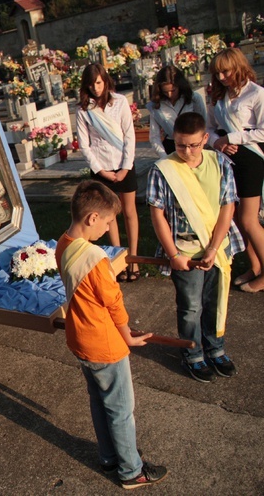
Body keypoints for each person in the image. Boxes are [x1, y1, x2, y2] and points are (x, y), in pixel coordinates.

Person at [56, 180, 167, 489]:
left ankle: (109, 456)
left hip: (79, 340)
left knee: (98, 400)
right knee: (120, 409)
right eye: (106, 222)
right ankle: (132, 470)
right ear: (92, 218)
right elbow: (114, 303)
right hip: (105, 345)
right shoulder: (94, 260)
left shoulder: (63, 243)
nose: (107, 228)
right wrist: (128, 336)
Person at [148, 112, 242, 381]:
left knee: (214, 301)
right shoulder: (162, 170)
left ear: (205, 139)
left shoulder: (221, 163)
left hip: (216, 248)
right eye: (180, 145)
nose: (187, 151)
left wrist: (213, 249)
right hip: (184, 252)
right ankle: (192, 352)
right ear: (172, 140)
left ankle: (215, 348)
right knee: (190, 306)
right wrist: (173, 254)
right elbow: (158, 216)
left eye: (193, 145)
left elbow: (228, 207)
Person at [76, 63, 140, 282]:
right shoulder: (84, 111)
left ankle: (134, 258)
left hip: (124, 164)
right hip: (102, 168)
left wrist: (125, 167)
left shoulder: (119, 102)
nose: (96, 88)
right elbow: (84, 145)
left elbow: (129, 135)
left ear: (105, 81)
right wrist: (101, 171)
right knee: (109, 215)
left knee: (129, 211)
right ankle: (118, 258)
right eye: (91, 84)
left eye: (99, 83)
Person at [207, 47, 264, 293]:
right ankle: (255, 266)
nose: (221, 78)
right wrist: (216, 142)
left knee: (250, 220)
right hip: (228, 162)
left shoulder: (257, 93)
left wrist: (231, 136)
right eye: (217, 73)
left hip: (251, 160)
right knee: (239, 219)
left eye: (226, 72)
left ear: (238, 67)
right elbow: (209, 128)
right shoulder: (218, 96)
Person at [149, 65, 207, 157]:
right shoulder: (155, 105)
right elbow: (154, 136)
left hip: (193, 146)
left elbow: (204, 125)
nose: (169, 94)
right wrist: (164, 156)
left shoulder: (194, 99)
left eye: (173, 90)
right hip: (171, 146)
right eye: (165, 91)